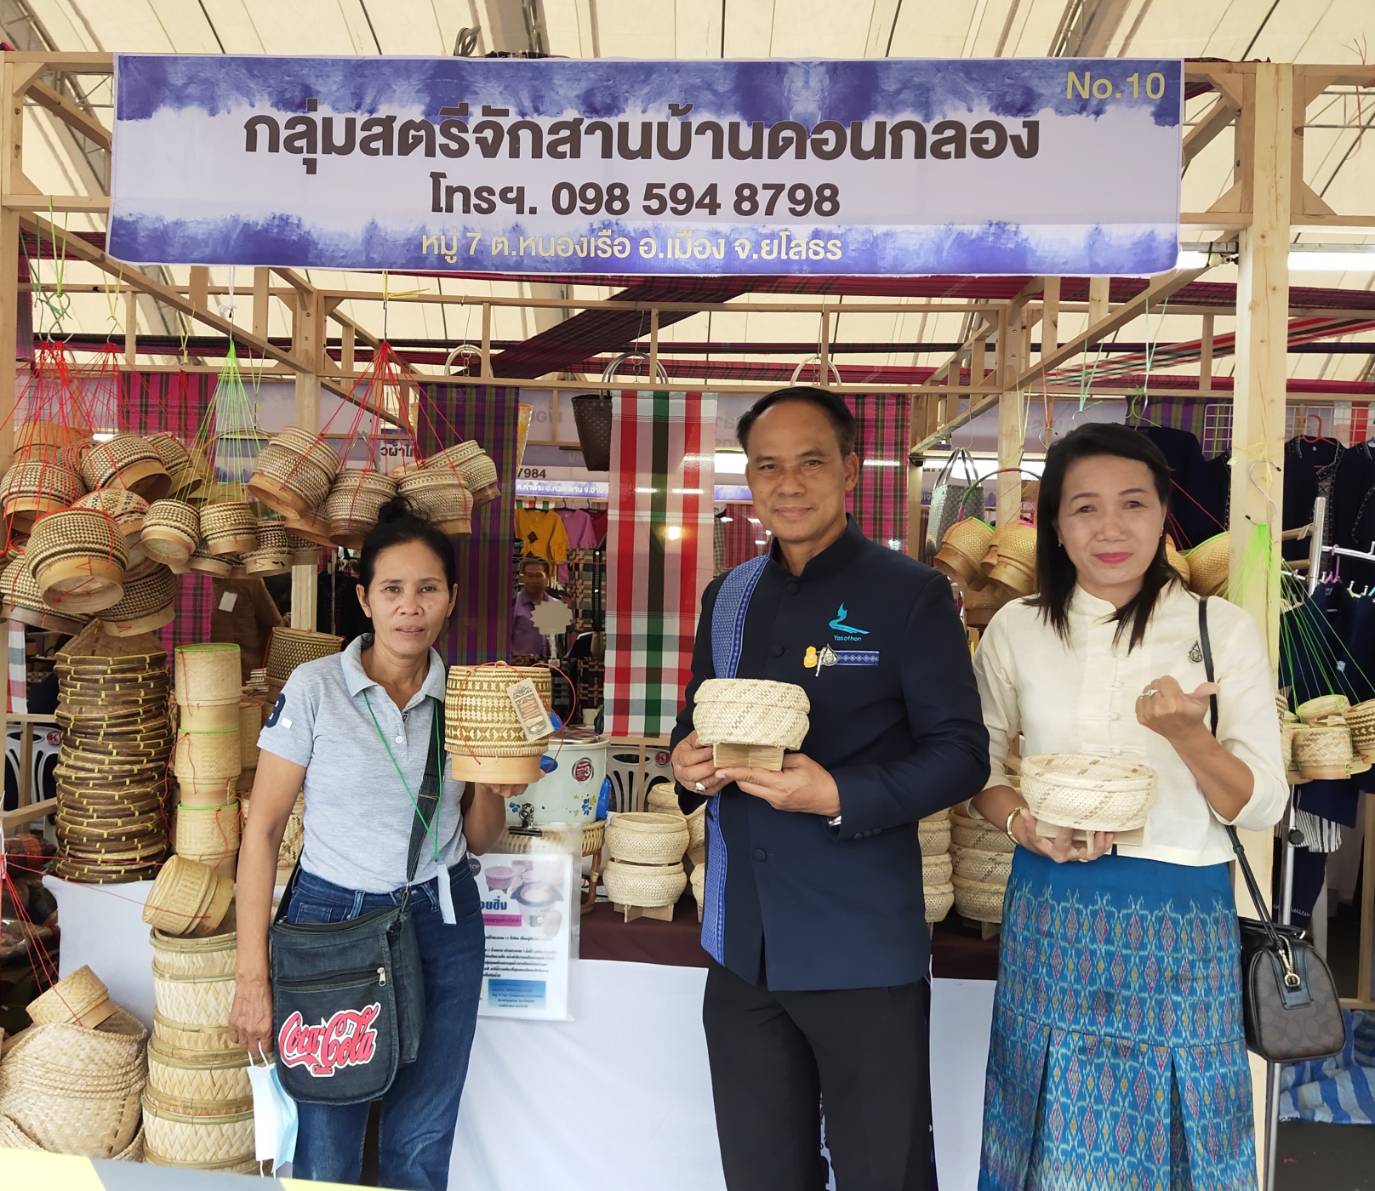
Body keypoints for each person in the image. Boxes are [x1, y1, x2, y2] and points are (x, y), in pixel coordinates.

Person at [670, 385, 989, 1191]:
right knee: (760, 1173)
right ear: (748, 477)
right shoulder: (728, 597)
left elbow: (961, 755)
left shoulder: (908, 593)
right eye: (767, 466)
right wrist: (684, 762)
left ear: (850, 469)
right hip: (742, 948)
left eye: (809, 462)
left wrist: (838, 794)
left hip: (859, 945)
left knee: (883, 1170)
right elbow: (695, 717)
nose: (787, 484)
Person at [970, 423, 1288, 1190]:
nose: (1109, 527)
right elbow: (974, 769)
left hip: (1179, 919)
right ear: (1055, 524)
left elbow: (1263, 804)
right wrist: (1020, 824)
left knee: (1183, 1125)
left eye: (1132, 503)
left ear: (1162, 515)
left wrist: (1188, 735)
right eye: (1084, 507)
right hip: (1051, 907)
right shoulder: (1016, 628)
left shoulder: (1219, 629)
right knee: (1046, 1120)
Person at [229, 498, 523, 1190]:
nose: (409, 607)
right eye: (392, 588)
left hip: (444, 918)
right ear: (364, 599)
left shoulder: (469, 696)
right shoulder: (315, 689)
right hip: (334, 922)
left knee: (421, 1139)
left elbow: (478, 839)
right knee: (328, 1140)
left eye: (427, 588)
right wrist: (252, 977)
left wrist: (492, 787)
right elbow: (262, 832)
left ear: (451, 597)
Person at [510, 555, 555, 662]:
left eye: (539, 575)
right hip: (519, 667)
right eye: (530, 576)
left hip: (550, 667)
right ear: (523, 578)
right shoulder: (513, 604)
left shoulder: (556, 606)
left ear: (547, 577)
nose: (534, 580)